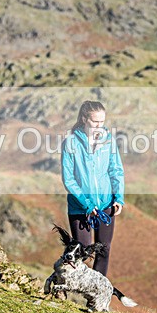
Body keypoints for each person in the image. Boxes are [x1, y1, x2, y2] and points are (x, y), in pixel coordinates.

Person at [60, 101, 124, 277]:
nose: (99, 126)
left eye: (102, 122)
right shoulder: (70, 143)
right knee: (81, 251)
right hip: (80, 207)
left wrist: (119, 198)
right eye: (95, 122)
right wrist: (87, 204)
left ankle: (97, 290)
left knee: (104, 250)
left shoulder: (109, 141)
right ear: (84, 119)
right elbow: (68, 179)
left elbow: (116, 171)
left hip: (105, 204)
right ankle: (69, 285)